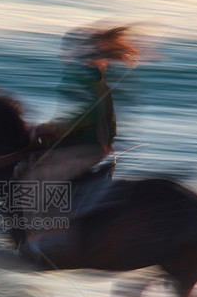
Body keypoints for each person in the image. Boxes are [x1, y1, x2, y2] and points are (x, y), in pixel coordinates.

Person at [22, 25, 140, 185]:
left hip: (83, 149)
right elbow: (107, 116)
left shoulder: (84, 78)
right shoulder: (97, 79)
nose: (62, 53)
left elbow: (86, 116)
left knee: (34, 179)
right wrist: (109, 140)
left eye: (67, 49)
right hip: (89, 146)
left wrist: (48, 129)